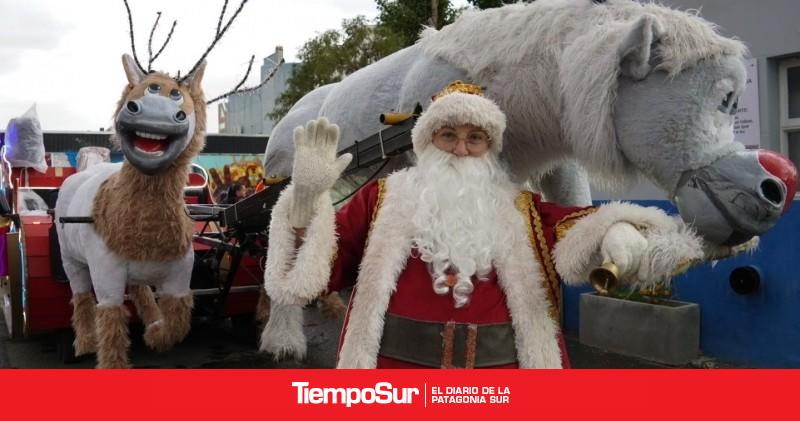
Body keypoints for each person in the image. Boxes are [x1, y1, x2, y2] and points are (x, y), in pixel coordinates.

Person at [261, 81, 705, 368]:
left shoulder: (523, 210)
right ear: (427, 141)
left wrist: (617, 228)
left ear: (490, 148)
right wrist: (304, 203)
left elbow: (577, 229)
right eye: (448, 135)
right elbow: (318, 270)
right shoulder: (381, 199)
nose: (461, 149)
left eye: (475, 138)